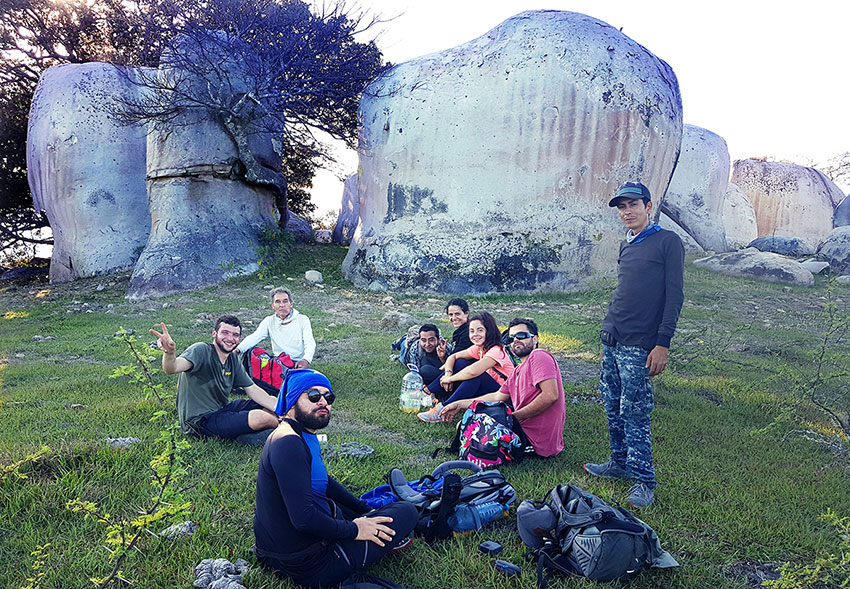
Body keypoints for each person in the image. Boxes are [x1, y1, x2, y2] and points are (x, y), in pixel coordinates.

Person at [254, 369, 417, 588]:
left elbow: (323, 482)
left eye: (328, 397)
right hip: (307, 565)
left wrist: (363, 509)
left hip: (282, 549)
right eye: (313, 396)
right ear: (292, 401)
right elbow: (303, 519)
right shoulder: (288, 444)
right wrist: (356, 529)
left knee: (375, 511)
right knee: (407, 512)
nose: (323, 402)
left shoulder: (299, 433)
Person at [583, 181, 685, 508]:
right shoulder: (627, 243)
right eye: (622, 207)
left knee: (635, 410)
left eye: (633, 205)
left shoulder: (667, 242)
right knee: (612, 405)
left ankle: (644, 481)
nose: (627, 211)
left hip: (640, 343)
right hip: (612, 337)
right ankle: (619, 463)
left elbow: (674, 297)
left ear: (648, 206)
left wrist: (662, 344)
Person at [439, 318, 566, 457]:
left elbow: (550, 396)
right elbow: (497, 396)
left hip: (533, 441)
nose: (515, 340)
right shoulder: (517, 371)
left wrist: (512, 418)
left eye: (522, 336)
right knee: (467, 423)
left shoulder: (539, 355)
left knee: (473, 428)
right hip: (521, 430)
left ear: (535, 339)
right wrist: (459, 404)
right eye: (511, 338)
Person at [150, 316, 280, 441]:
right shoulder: (200, 350)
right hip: (199, 421)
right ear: (214, 333)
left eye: (235, 335)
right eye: (225, 333)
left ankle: (257, 432)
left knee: (272, 401)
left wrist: (279, 410)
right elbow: (172, 368)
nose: (230, 338)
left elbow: (252, 389)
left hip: (222, 409)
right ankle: (281, 430)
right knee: (262, 418)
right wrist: (169, 353)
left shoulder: (232, 359)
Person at [418, 312, 515, 423]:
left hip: (504, 398)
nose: (475, 334)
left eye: (480, 330)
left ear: (489, 331)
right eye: (472, 331)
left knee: (476, 376)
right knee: (460, 362)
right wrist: (448, 373)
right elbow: (453, 357)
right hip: (488, 391)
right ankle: (426, 392)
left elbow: (473, 372)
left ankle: (442, 409)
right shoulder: (480, 348)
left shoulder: (497, 350)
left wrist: (449, 379)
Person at [237, 287, 315, 369]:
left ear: (291, 304)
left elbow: (310, 342)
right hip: (279, 363)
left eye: (285, 301)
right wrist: (238, 350)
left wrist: (306, 360)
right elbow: (255, 337)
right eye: (277, 302)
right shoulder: (269, 321)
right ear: (273, 306)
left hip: (297, 363)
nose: (282, 305)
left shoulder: (302, 319)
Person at [437, 297, 472, 362]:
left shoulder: (470, 332)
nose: (454, 318)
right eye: (451, 315)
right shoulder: (458, 332)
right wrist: (442, 357)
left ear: (466, 313)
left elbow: (455, 359)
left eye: (457, 314)